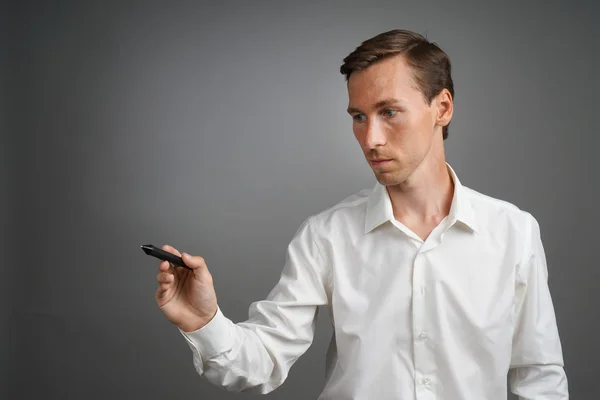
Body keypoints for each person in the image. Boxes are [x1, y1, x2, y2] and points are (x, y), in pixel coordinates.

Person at [154, 29, 569, 399]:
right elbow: (262, 362)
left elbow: (539, 378)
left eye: (389, 112)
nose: (370, 139)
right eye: (359, 116)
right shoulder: (326, 236)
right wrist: (203, 320)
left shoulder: (513, 232)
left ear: (441, 108)